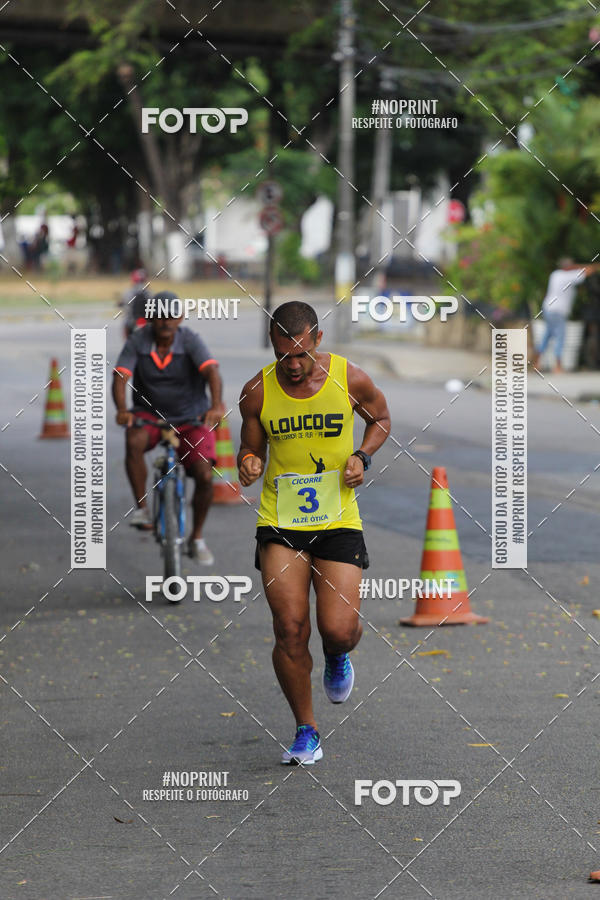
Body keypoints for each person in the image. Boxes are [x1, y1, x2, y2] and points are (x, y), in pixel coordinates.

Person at [237, 301, 390, 765]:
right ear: (273, 347)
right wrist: (247, 461)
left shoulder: (350, 378)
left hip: (338, 519)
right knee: (288, 629)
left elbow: (381, 419)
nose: (294, 365)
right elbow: (249, 444)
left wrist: (362, 456)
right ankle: (306, 730)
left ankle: (337, 654)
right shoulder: (257, 392)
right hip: (281, 521)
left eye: (301, 354)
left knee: (338, 629)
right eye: (284, 356)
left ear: (318, 340)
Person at [112, 291, 224, 564]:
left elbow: (212, 372)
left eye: (171, 315)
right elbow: (120, 376)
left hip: (191, 418)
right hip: (149, 416)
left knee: (204, 475)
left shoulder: (190, 340)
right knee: (134, 441)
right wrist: (122, 410)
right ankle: (142, 510)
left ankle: (196, 538)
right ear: (149, 318)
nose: (165, 321)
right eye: (159, 316)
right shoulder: (138, 340)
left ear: (181, 317)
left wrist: (217, 405)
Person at [532, 258, 600, 373]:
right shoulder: (568, 277)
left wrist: (575, 267)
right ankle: (557, 366)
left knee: (547, 335)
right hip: (557, 311)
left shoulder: (555, 274)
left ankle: (536, 362)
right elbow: (588, 270)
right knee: (560, 336)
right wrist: (582, 266)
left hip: (548, 309)